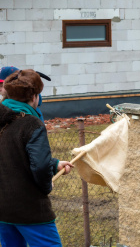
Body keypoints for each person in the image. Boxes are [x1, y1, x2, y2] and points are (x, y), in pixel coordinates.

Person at [0, 69, 73, 247]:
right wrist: (46, 185)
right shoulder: (32, 124)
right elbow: (39, 167)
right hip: (30, 210)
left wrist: (54, 164)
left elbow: (14, 155)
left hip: (2, 209)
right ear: (34, 96)